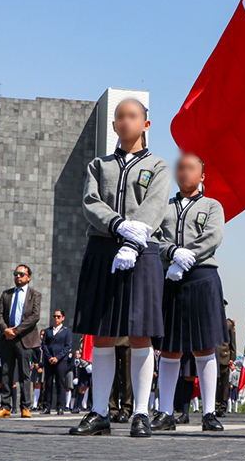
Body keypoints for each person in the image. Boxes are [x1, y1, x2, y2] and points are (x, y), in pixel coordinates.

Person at [70, 98, 170, 438]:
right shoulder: (99, 165)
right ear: (113, 126)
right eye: (119, 118)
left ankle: (141, 411)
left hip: (142, 251)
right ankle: (99, 411)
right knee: (103, 332)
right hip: (102, 247)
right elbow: (90, 202)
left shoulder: (157, 165)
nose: (125, 122)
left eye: (132, 116)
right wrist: (117, 226)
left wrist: (134, 235)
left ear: (146, 124)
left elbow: (156, 204)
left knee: (140, 332)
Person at [148, 153, 229, 433]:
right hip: (168, 277)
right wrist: (172, 254)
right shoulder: (164, 207)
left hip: (201, 277)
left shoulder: (212, 205)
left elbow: (213, 236)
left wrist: (187, 258)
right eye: (180, 168)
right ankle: (165, 411)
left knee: (204, 347)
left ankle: (209, 412)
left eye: (191, 168)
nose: (184, 173)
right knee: (169, 347)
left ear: (202, 175)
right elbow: (153, 237)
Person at [0, 264, 42, 418]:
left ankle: (25, 406)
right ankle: (5, 406)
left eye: (21, 274)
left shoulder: (35, 295)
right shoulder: (6, 294)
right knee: (6, 373)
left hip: (24, 338)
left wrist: (17, 330)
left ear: (28, 277)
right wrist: (5, 330)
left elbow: (35, 316)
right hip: (7, 339)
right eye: (16, 274)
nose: (18, 277)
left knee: (24, 374)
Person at [41, 309, 73, 415]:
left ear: (63, 318)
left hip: (60, 361)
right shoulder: (48, 331)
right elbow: (44, 344)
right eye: (54, 316)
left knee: (60, 383)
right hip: (49, 360)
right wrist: (49, 356)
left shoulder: (66, 331)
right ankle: (47, 406)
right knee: (48, 383)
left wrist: (57, 357)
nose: (56, 318)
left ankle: (60, 407)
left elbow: (67, 346)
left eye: (58, 316)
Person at [215, 301, 236, 417]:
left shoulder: (228, 324)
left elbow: (232, 342)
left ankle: (221, 407)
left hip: (224, 356)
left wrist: (232, 357)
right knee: (214, 383)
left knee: (223, 384)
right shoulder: (212, 321)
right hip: (214, 355)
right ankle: (213, 406)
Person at [109, 337, 133, 423]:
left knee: (127, 375)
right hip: (110, 337)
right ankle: (112, 408)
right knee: (110, 374)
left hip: (127, 337)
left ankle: (126, 408)